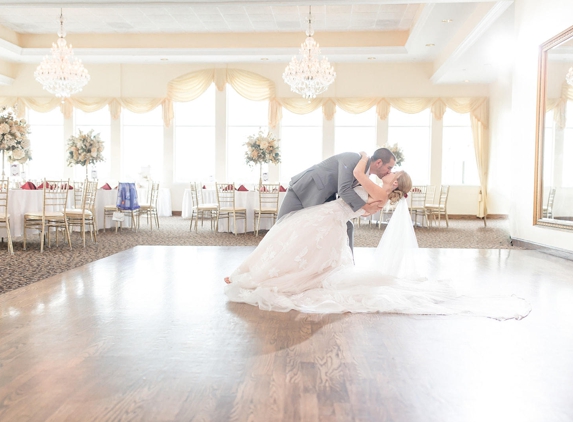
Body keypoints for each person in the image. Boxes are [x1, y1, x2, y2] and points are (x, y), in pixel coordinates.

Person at [223, 153, 531, 321]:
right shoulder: (381, 193)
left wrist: (363, 158)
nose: (388, 173)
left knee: (287, 242)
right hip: (329, 218)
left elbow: (355, 180)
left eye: (393, 173)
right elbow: (356, 199)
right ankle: (253, 273)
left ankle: (255, 275)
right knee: (289, 244)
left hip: (329, 217)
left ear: (394, 180)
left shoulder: (379, 191)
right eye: (391, 170)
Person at [278, 148, 396, 252]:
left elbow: (346, 195)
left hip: (325, 198)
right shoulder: (353, 158)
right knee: (281, 227)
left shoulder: (364, 174)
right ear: (379, 162)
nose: (390, 171)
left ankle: (345, 266)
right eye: (389, 167)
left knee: (346, 226)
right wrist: (365, 207)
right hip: (304, 189)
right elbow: (344, 190)